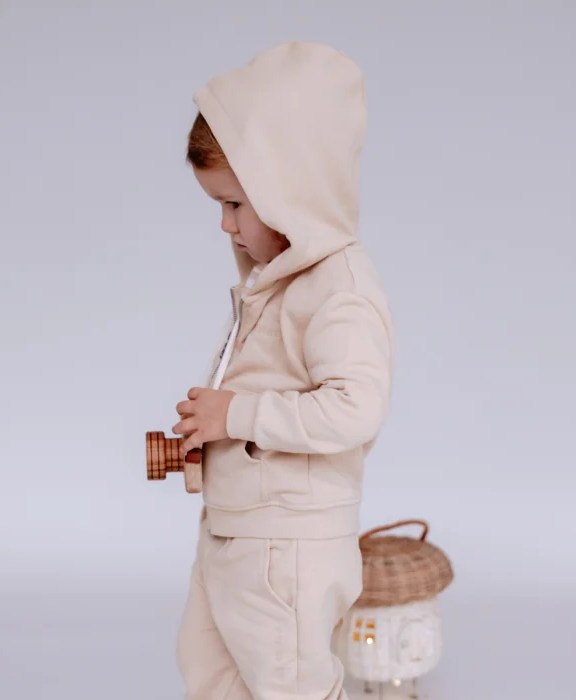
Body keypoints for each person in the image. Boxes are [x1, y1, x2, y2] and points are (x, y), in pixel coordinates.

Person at [172, 41, 395, 700]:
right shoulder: (273, 281)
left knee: (288, 682)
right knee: (209, 670)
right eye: (218, 206)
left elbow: (355, 407)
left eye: (235, 205)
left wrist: (235, 414)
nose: (225, 225)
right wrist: (210, 430)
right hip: (237, 528)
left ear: (292, 192)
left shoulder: (340, 288)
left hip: (287, 546)